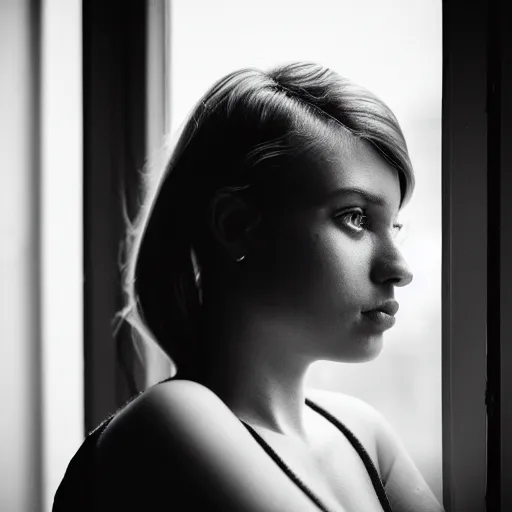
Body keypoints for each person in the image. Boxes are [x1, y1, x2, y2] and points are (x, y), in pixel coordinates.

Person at [54, 61, 445, 512]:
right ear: (236, 224)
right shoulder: (171, 418)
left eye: (393, 226)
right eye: (354, 218)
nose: (399, 267)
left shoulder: (361, 433)